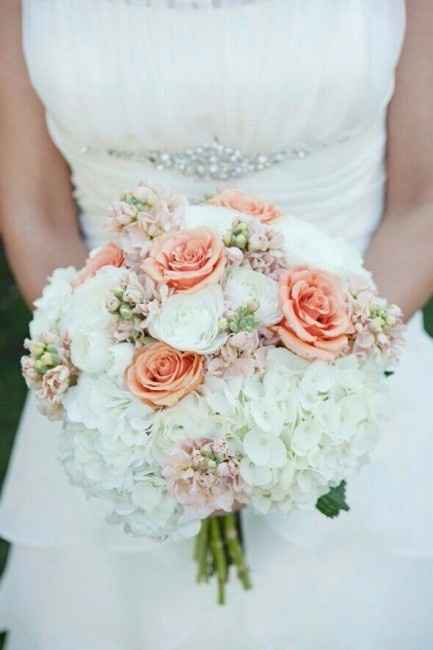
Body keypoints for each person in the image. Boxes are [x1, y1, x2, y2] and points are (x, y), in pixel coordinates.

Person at [0, 1, 433, 648]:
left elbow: (420, 204)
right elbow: (35, 211)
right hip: (113, 407)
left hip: (354, 389)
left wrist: (299, 398)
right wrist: (118, 381)